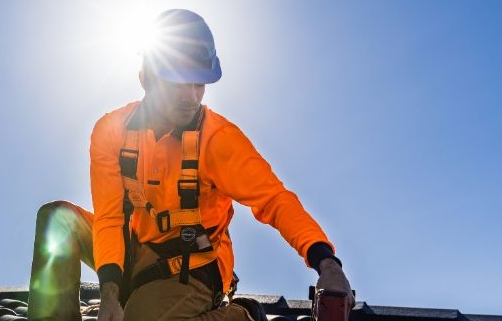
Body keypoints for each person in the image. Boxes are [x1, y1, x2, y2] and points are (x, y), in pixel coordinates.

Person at [28, 8, 353, 321]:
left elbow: (274, 200)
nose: (191, 96)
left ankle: (241, 315)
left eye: (199, 83)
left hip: (194, 266)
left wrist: (327, 263)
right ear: (146, 79)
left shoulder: (217, 139)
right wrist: (110, 293)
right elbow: (111, 219)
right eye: (178, 82)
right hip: (134, 251)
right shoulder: (110, 132)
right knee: (58, 221)